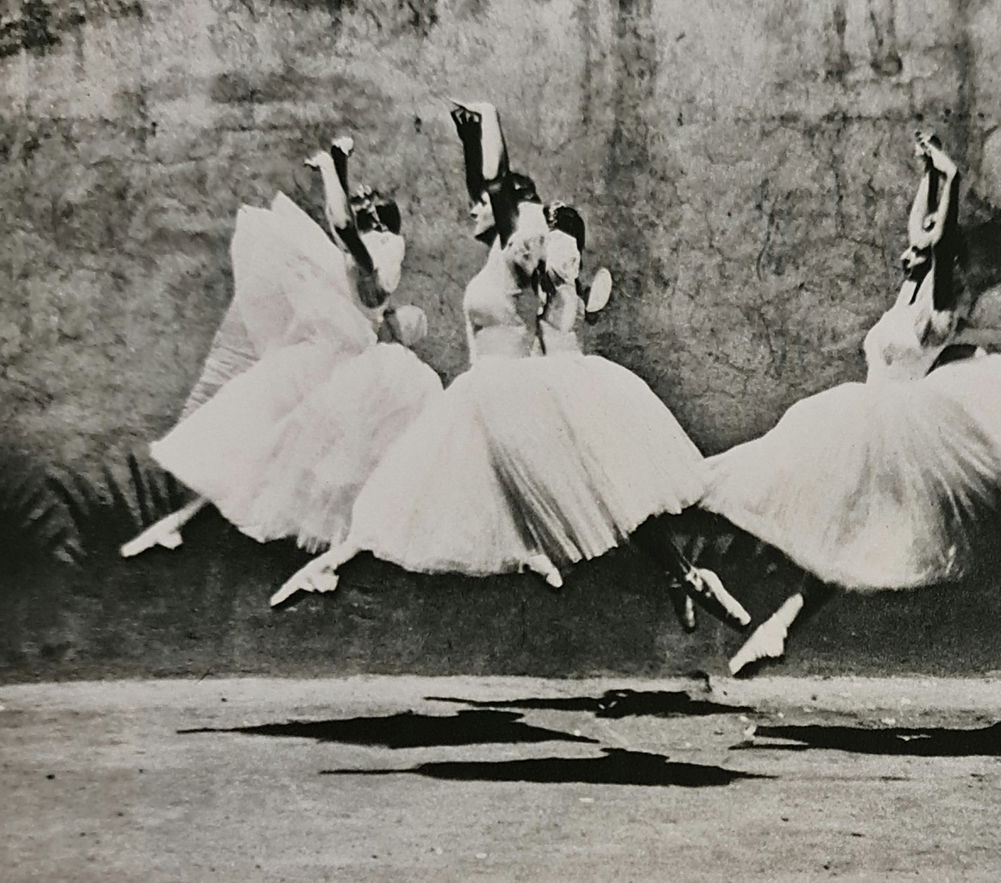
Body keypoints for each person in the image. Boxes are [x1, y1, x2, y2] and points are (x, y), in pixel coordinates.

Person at [701, 131, 1001, 675]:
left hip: (904, 431)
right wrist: (928, 173)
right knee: (841, 532)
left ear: (943, 262)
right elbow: (922, 230)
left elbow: (937, 239)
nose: (906, 249)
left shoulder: (938, 307)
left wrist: (952, 177)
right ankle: (777, 628)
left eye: (918, 250)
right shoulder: (906, 295)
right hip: (867, 419)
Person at [270, 104, 746, 632]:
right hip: (485, 395)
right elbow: (486, 187)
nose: (471, 208)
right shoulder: (499, 257)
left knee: (593, 494)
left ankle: (671, 572)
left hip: (510, 396)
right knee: (420, 491)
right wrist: (468, 138)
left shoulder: (517, 257)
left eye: (482, 205)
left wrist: (489, 119)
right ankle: (678, 574)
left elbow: (495, 184)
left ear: (512, 219)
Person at [124, 136, 439, 556]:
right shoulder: (360, 257)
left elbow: (345, 227)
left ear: (384, 235)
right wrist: (338, 164)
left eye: (373, 223)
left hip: (345, 365)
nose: (366, 227)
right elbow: (343, 227)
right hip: (325, 356)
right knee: (262, 443)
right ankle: (180, 522)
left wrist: (330, 168)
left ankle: (335, 551)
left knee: (303, 456)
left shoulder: (377, 267)